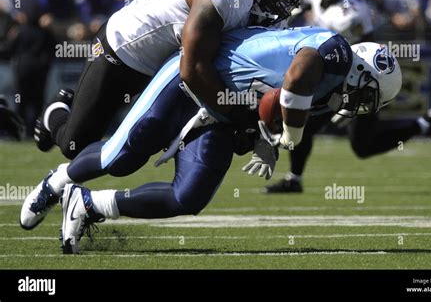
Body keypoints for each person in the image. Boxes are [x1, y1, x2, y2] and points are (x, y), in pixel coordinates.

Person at [20, 26, 402, 254]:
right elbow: (295, 80)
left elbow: (269, 102)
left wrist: (265, 138)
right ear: (361, 73)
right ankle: (57, 181)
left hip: (220, 112)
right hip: (192, 81)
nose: (363, 106)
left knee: (188, 197)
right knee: (119, 159)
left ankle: (87, 205)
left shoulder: (327, 94)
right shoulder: (334, 51)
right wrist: (290, 135)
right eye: (368, 96)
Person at [34, 0, 310, 159]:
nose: (281, 6)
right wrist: (238, 116)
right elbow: (193, 69)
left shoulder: (254, 9)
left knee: (139, 145)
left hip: (160, 65)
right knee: (76, 145)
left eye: (289, 0)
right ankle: (56, 110)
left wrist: (255, 121)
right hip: (122, 48)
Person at [265, 0, 431, 193]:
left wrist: (351, 97)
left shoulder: (352, 10)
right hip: (332, 76)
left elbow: (369, 48)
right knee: (306, 120)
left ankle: (425, 123)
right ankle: (294, 178)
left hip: (359, 79)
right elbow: (308, 7)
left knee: (362, 146)